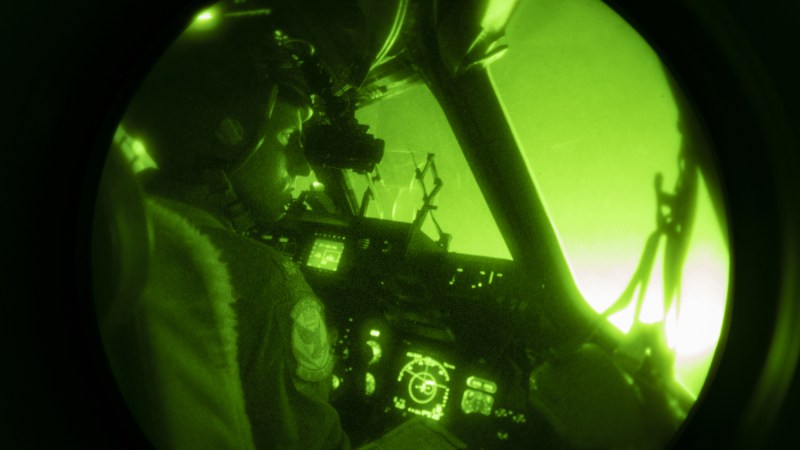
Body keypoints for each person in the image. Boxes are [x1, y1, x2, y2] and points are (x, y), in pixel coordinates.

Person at [97, 8, 350, 450]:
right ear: (228, 136)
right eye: (289, 140)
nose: (303, 167)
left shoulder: (118, 233)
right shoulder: (270, 283)